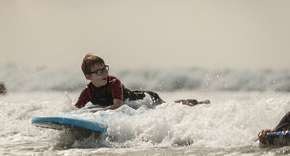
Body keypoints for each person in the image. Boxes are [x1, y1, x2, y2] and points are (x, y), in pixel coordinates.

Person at [75, 54, 210, 111]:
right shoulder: (88, 91)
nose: (104, 73)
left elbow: (118, 106)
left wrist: (95, 112)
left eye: (105, 69)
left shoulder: (114, 82)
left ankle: (197, 103)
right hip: (136, 103)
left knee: (167, 108)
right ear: (88, 77)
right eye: (99, 72)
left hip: (145, 98)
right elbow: (76, 109)